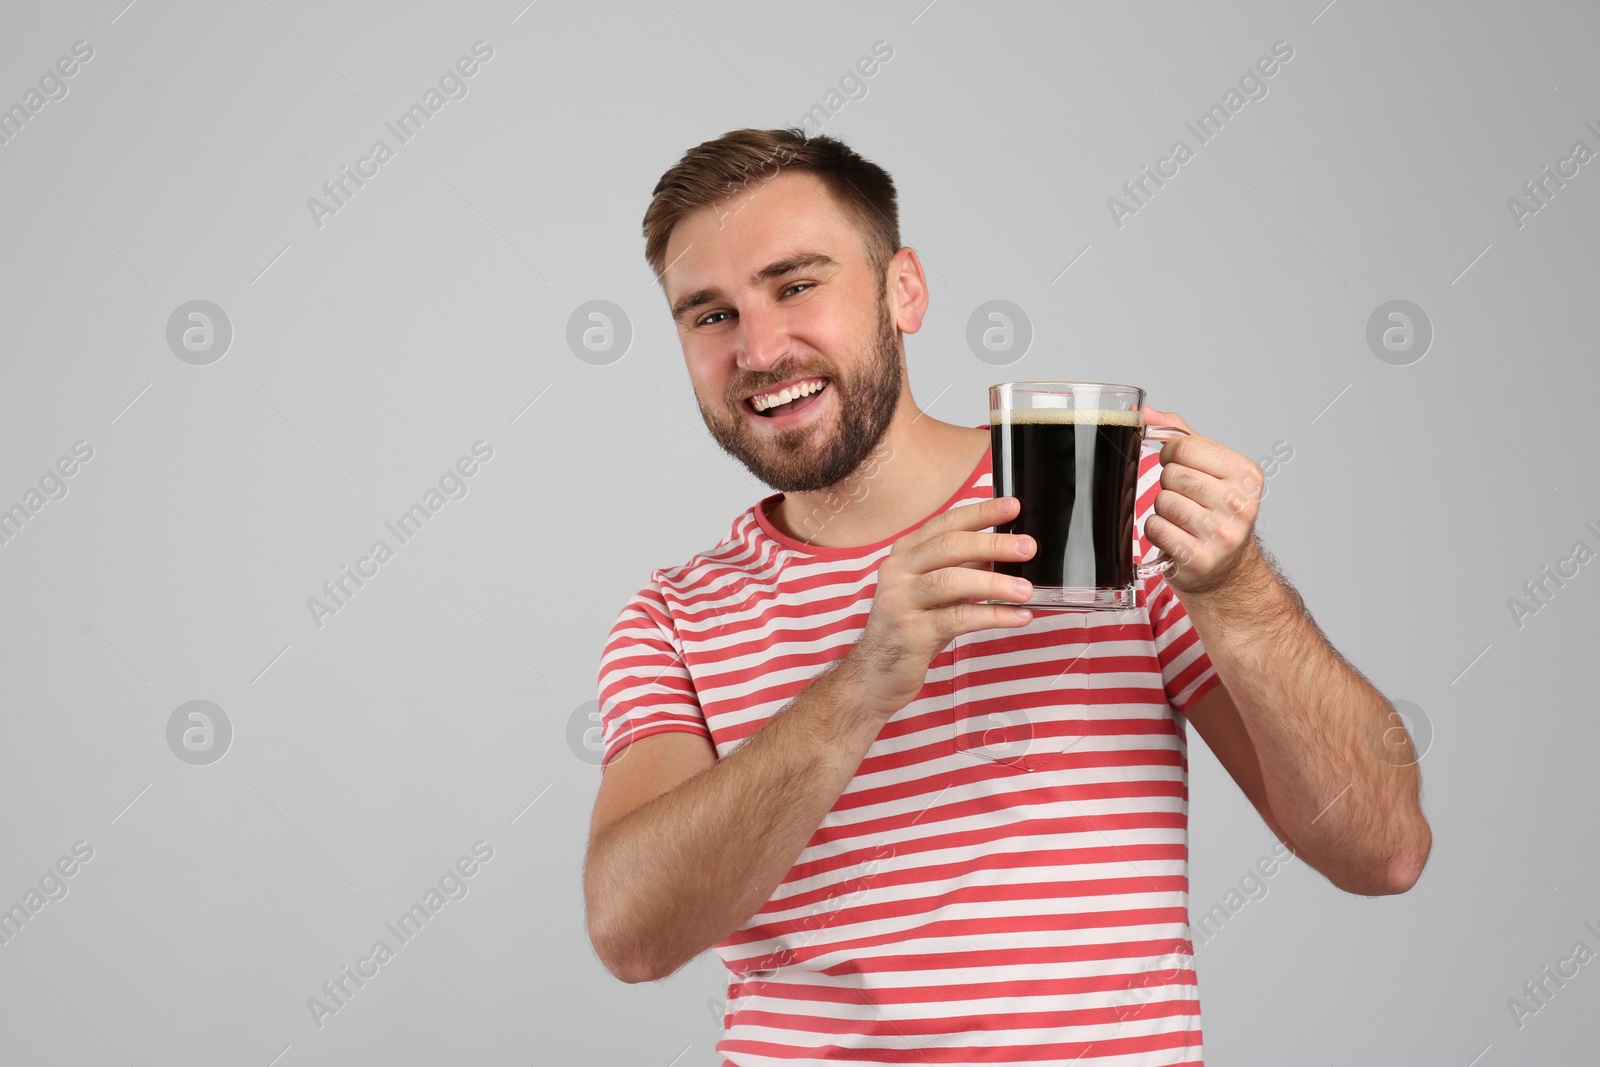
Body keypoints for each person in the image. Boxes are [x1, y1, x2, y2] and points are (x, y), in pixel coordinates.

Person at [583, 127, 1431, 1066]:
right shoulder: (676, 614)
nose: (760, 347)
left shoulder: (1104, 511)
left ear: (903, 289)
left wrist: (1239, 589)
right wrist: (862, 683)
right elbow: (632, 932)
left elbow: (1382, 849)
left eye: (795, 284)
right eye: (709, 315)